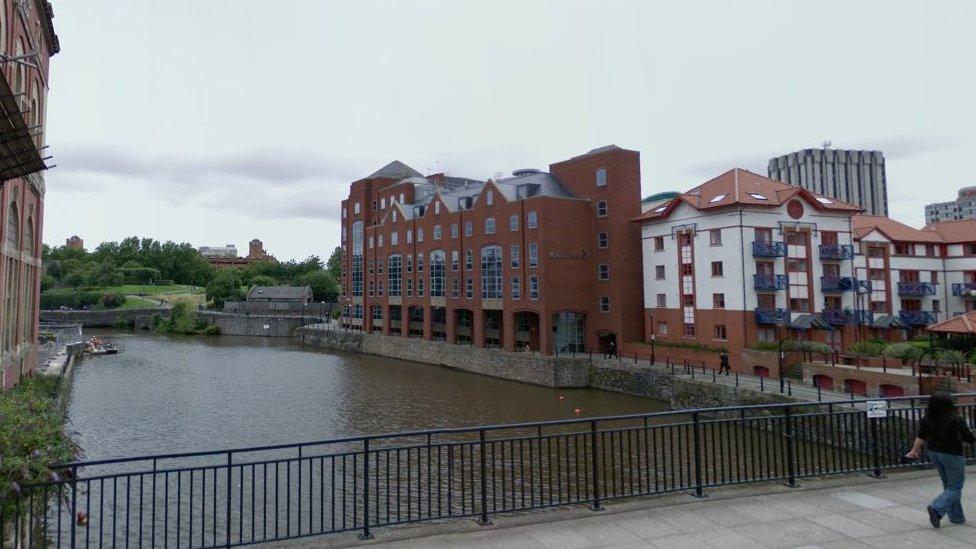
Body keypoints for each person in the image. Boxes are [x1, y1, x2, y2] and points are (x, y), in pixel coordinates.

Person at [904, 392, 975, 527]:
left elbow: (921, 436)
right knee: (955, 487)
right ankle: (936, 508)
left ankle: (956, 517)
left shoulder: (928, 418)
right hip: (952, 454)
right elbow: (969, 437)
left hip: (934, 452)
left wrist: (914, 450)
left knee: (948, 486)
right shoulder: (956, 419)